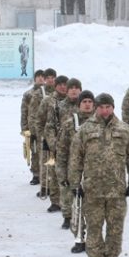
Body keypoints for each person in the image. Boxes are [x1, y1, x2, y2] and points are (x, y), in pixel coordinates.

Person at [68, 93, 129, 257]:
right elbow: (75, 158)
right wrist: (75, 183)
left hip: (117, 190)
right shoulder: (85, 130)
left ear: (113, 108)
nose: (105, 110)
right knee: (94, 226)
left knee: (115, 227)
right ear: (96, 108)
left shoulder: (124, 130)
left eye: (108, 107)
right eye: (101, 107)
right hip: (92, 190)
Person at [57, 90, 95, 253]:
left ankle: (95, 240)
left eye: (90, 102)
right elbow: (62, 150)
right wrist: (62, 173)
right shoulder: (69, 123)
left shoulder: (99, 122)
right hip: (76, 171)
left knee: (95, 209)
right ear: (79, 104)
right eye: (84, 101)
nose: (87, 104)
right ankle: (79, 239)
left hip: (96, 173)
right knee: (77, 207)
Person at [47, 78, 82, 228]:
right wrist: (54, 143)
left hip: (84, 152)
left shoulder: (87, 106)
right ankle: (67, 215)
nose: (74, 90)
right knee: (64, 184)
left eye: (77, 88)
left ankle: (81, 214)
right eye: (71, 88)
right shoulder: (58, 107)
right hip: (64, 150)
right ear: (66, 91)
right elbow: (49, 127)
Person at [36, 75, 69, 210]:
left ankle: (68, 201)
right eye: (60, 84)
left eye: (65, 84)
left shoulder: (74, 101)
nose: (62, 86)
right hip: (52, 142)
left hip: (69, 143)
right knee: (54, 173)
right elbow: (40, 120)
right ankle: (55, 201)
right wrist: (42, 139)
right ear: (55, 86)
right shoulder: (48, 101)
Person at [27, 68, 57, 186]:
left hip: (56, 131)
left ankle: (53, 180)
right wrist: (34, 132)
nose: (50, 80)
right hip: (42, 132)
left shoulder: (60, 91)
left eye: (53, 78)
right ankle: (41, 178)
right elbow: (32, 115)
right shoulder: (38, 94)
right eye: (48, 78)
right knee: (41, 156)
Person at [21, 69, 44, 172]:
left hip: (45, 128)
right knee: (34, 150)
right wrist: (24, 128)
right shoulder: (28, 94)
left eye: (42, 76)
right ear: (35, 79)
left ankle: (46, 173)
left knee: (45, 150)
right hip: (32, 127)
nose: (40, 78)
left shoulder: (49, 93)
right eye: (38, 76)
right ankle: (35, 173)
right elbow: (24, 112)